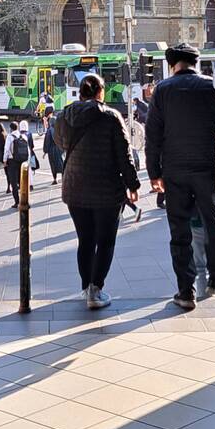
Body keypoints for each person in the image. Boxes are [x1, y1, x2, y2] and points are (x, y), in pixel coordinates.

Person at [145, 41, 215, 311]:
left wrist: (154, 173)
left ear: (173, 65)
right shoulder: (211, 87)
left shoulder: (162, 90)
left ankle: (186, 292)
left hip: (174, 171)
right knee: (214, 223)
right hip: (208, 167)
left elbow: (153, 137)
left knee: (179, 230)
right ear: (195, 64)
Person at [54, 73, 139, 311]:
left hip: (75, 187)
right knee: (106, 240)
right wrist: (133, 185)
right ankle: (96, 289)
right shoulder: (111, 117)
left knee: (85, 239)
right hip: (106, 189)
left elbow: (60, 142)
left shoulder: (64, 116)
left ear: (80, 93)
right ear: (101, 92)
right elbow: (125, 154)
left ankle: (85, 287)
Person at [3, 120, 31, 207]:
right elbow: (28, 150)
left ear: (10, 129)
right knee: (23, 181)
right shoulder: (23, 136)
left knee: (13, 182)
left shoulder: (9, 137)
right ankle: (25, 200)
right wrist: (28, 161)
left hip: (12, 161)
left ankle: (17, 201)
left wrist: (4, 160)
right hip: (22, 161)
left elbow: (6, 149)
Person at [43, 115, 64, 184]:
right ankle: (63, 177)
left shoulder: (49, 131)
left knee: (53, 165)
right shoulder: (60, 129)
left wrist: (45, 151)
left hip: (52, 150)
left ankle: (55, 179)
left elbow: (47, 141)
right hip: (60, 149)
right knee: (61, 163)